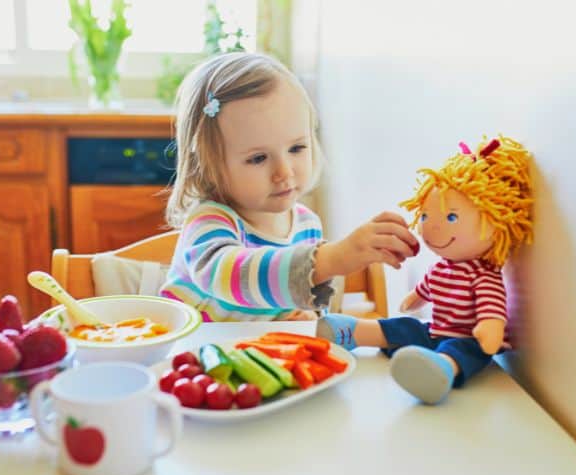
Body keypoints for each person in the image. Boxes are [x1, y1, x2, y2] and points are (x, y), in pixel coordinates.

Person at [160, 52, 418, 322]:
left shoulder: (307, 224)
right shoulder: (209, 222)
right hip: (193, 357)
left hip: (263, 357)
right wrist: (329, 259)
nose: (284, 172)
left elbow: (300, 292)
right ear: (208, 164)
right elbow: (231, 277)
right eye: (258, 158)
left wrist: (306, 314)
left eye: (296, 148)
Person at [317, 136, 534, 404]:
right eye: (426, 216)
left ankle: (440, 370)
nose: (431, 228)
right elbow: (428, 288)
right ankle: (352, 332)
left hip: (466, 338)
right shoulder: (441, 268)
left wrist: (490, 329)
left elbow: (492, 310)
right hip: (433, 330)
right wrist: (414, 298)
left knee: (461, 350)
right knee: (405, 326)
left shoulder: (484, 276)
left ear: (495, 222)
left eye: (451, 217)